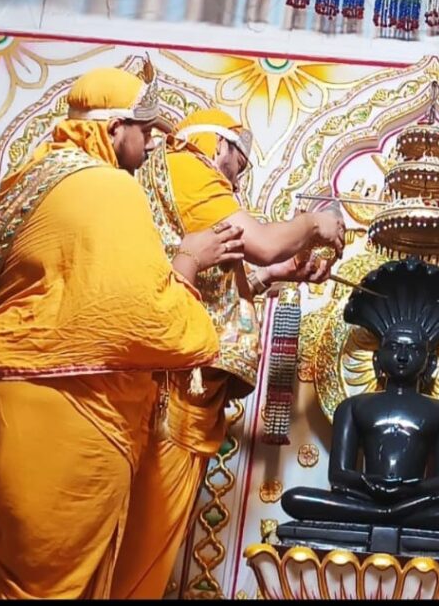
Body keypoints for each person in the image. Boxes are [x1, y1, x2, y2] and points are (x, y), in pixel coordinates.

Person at [0, 66, 242, 599]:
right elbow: (146, 319)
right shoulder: (108, 189)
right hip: (63, 410)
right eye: (145, 131)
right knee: (43, 588)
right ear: (114, 129)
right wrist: (187, 261)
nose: (153, 144)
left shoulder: (25, 182)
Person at [111, 107, 346, 600]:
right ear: (220, 144)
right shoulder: (189, 166)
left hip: (178, 381)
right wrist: (313, 223)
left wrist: (275, 276)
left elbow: (221, 286)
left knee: (149, 535)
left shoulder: (172, 181)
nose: (237, 179)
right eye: (239, 163)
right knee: (146, 539)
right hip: (175, 384)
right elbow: (262, 243)